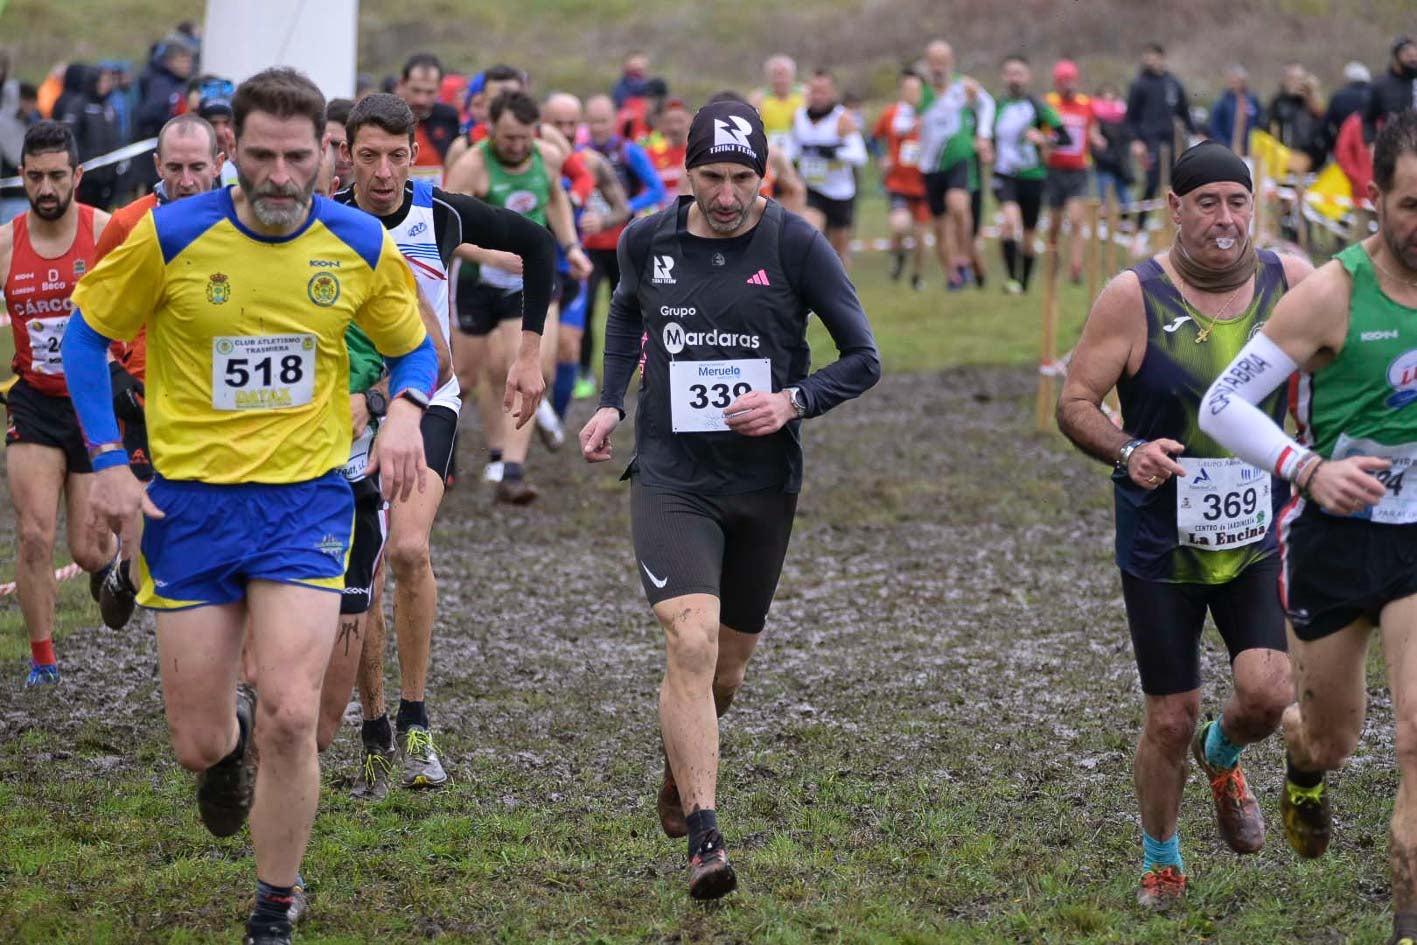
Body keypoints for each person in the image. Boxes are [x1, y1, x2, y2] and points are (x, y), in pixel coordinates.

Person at [64, 67, 439, 945]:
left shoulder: (358, 244)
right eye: (260, 157)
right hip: (191, 508)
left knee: (291, 710)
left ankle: (274, 902)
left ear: (325, 156)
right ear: (235, 153)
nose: (277, 175)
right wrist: (111, 463)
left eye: (296, 158)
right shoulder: (169, 235)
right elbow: (85, 337)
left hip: (304, 504)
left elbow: (414, 350)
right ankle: (222, 749)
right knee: (200, 739)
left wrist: (406, 413)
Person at [578, 100, 880, 900]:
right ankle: (706, 836)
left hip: (760, 484)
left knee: (726, 673)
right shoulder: (647, 238)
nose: (725, 193)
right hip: (672, 476)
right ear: (686, 171)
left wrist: (792, 402)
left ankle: (683, 770)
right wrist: (610, 400)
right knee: (691, 638)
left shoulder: (794, 244)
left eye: (742, 178)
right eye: (711, 176)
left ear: (764, 175)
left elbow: (863, 358)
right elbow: (624, 311)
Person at [1056, 140, 1310, 910]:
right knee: (1168, 715)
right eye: (1206, 203)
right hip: (1159, 538)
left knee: (1266, 694)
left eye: (1237, 202)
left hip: (1256, 531)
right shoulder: (1132, 296)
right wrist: (1127, 447)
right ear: (1173, 208)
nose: (1224, 219)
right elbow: (1073, 401)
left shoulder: (1289, 280)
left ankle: (1223, 755)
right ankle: (1160, 859)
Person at [1198, 111, 1417, 945]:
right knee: (1332, 737)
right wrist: (1307, 468)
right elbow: (1222, 405)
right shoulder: (1331, 293)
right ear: (1373, 201)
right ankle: (1299, 763)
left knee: (1412, 735)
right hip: (1333, 539)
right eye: (1409, 204)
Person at [335, 91, 556, 791]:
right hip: (349, 411)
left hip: (428, 397)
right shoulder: (327, 223)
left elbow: (537, 243)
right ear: (346, 154)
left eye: (395, 156)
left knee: (407, 548)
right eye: (367, 156)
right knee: (360, 572)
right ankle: (371, 729)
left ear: (413, 155)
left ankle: (416, 717)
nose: (381, 171)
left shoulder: (440, 212)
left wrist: (526, 354)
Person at [90, 113, 225, 629]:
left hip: (216, 396)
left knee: (207, 522)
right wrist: (114, 375)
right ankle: (128, 570)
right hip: (144, 393)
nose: (186, 180)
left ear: (219, 164)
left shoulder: (237, 223)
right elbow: (89, 321)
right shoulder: (129, 225)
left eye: (196, 167)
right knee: (152, 514)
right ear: (156, 165)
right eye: (174, 168)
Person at [2, 121, 114, 687]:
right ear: (22, 175)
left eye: (57, 176)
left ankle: (110, 565)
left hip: (95, 403)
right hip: (34, 404)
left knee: (89, 550)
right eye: (35, 176)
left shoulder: (104, 232)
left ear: (78, 176)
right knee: (34, 533)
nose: (46, 188)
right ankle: (43, 660)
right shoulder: (6, 242)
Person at [442, 89, 590, 504]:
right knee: (467, 376)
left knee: (525, 366)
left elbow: (556, 198)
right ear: (491, 130)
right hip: (474, 282)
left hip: (525, 283)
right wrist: (493, 256)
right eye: (509, 138)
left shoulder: (547, 156)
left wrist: (571, 246)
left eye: (524, 137)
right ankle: (444, 454)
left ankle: (512, 471)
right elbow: (446, 232)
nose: (518, 146)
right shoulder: (471, 166)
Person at [577, 93, 665, 393]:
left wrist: (627, 206)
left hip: (624, 246)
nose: (599, 127)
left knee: (634, 309)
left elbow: (657, 189)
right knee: (585, 310)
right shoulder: (580, 153)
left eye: (603, 121)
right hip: (588, 245)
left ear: (615, 121)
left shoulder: (629, 152)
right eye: (593, 122)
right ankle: (584, 373)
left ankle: (643, 369)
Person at [918, 40, 995, 291]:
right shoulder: (921, 91)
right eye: (934, 62)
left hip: (959, 157)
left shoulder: (964, 86)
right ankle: (953, 274)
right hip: (930, 165)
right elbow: (903, 117)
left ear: (951, 62)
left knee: (959, 205)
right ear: (928, 64)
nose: (938, 67)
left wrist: (982, 136)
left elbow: (987, 105)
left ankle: (963, 258)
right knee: (940, 227)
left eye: (943, 61)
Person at [991, 56, 1065, 294]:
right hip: (1005, 174)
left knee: (1029, 235)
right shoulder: (997, 106)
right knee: (1010, 222)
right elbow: (985, 135)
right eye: (1010, 73)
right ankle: (1012, 278)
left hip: (1033, 176)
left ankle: (1023, 283)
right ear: (1004, 77)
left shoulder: (1038, 106)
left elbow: (1064, 137)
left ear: (1028, 77)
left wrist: (1043, 139)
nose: (1014, 79)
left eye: (1019, 73)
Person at [786, 69, 867, 267]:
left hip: (840, 193)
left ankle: (840, 293)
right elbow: (791, 150)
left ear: (832, 93)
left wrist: (834, 153)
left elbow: (860, 155)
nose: (818, 96)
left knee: (838, 255)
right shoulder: (798, 118)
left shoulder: (843, 119)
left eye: (823, 91)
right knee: (809, 236)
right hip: (812, 189)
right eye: (814, 91)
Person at [1126, 44, 1195, 235]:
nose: (1150, 61)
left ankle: (1177, 225)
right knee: (1151, 183)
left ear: (1161, 58)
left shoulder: (1173, 83)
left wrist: (1195, 133)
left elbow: (1184, 112)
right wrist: (1135, 141)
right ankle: (1139, 228)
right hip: (1150, 141)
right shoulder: (1139, 84)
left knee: (1178, 183)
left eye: (1153, 57)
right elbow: (1130, 117)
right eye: (1147, 57)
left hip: (1172, 141)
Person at [1045, 60, 1103, 285]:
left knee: (1077, 219)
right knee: (1055, 222)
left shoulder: (1086, 104)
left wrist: (1098, 139)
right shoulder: (1048, 103)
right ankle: (1053, 254)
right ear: (1056, 83)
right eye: (1063, 82)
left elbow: (1093, 129)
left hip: (1078, 169)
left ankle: (1076, 266)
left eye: (1071, 81)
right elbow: (1042, 129)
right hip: (1054, 169)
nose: (1068, 86)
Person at [872, 69, 929, 290]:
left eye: (916, 89)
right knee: (900, 225)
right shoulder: (891, 114)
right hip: (898, 182)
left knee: (921, 235)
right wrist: (881, 158)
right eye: (907, 89)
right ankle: (897, 256)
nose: (912, 93)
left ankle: (917, 276)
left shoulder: (930, 114)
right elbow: (873, 139)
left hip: (924, 183)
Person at [397, 53, 461, 185]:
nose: (421, 100)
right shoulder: (384, 117)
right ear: (403, 84)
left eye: (429, 92)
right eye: (416, 90)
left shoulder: (448, 117)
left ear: (439, 88)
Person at [1267, 63, 1326, 171]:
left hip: (1310, 158)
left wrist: (1311, 93)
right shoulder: (1279, 101)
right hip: (1286, 156)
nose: (1295, 82)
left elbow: (1320, 116)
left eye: (1299, 79)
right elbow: (1270, 127)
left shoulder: (1309, 99)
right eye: (1291, 78)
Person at [1364, 36, 1417, 144]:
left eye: (1415, 56)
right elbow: (1368, 119)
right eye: (1408, 56)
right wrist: (1371, 143)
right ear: (1396, 57)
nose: (1413, 60)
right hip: (1395, 147)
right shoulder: (1380, 85)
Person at [1092, 82, 1133, 219]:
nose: (1108, 98)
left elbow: (1127, 137)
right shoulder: (1094, 115)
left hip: (1120, 162)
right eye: (1105, 94)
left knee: (1124, 196)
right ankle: (1104, 225)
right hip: (1104, 161)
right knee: (1104, 195)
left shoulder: (1123, 114)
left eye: (1111, 94)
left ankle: (1126, 224)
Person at [751, 54, 803, 149]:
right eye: (776, 75)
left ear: (792, 76)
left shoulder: (805, 95)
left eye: (784, 75)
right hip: (768, 150)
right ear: (768, 77)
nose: (780, 80)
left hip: (798, 148)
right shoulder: (758, 98)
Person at [1208, 65, 1262, 154]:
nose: (1235, 82)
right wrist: (1225, 145)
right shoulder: (1222, 102)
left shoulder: (1252, 99)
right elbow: (1215, 128)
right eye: (1232, 79)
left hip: (1250, 150)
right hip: (1228, 149)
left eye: (1239, 80)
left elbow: (1259, 121)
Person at [1323, 62, 1372, 158]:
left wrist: (1332, 144)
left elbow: (1325, 125)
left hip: (1345, 147)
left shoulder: (1338, 97)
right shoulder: (1375, 96)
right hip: (1370, 147)